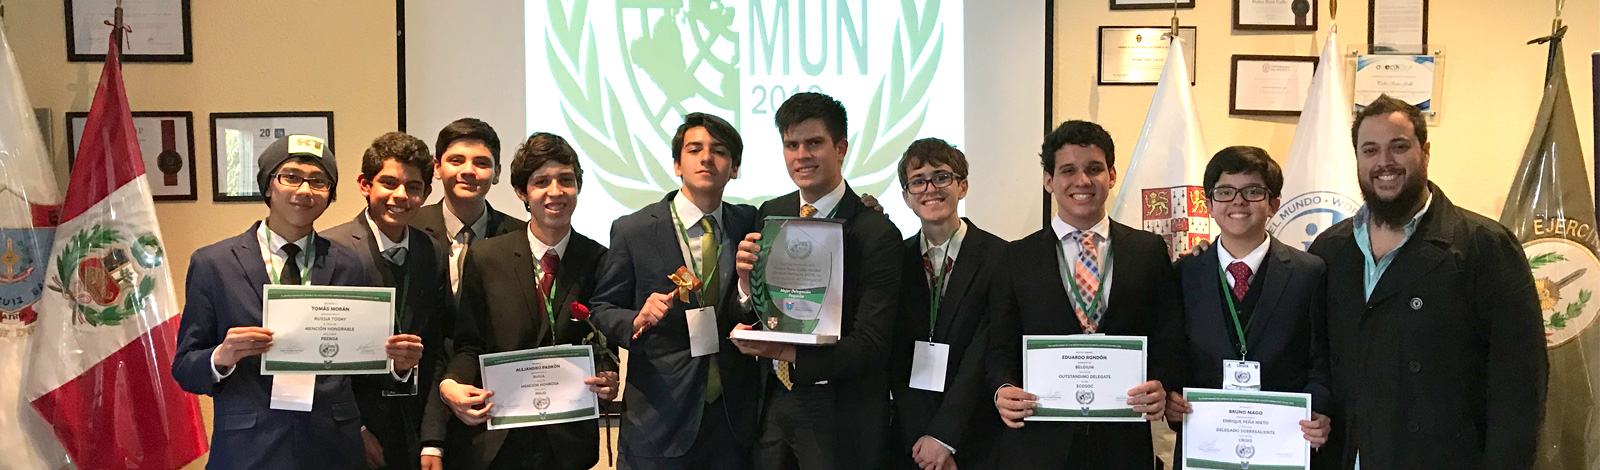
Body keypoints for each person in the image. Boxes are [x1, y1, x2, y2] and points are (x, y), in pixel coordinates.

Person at [1308, 95, 1547, 468]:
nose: (1384, 162)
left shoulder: (1484, 246)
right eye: (1370, 150)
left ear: (1426, 152)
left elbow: (1519, 386)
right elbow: (1316, 359)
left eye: (1399, 147)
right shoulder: (1330, 250)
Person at [171, 135, 425, 470]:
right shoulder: (214, 264)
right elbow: (185, 368)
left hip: (333, 447)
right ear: (268, 185)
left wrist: (398, 366)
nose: (305, 190)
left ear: (329, 194)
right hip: (249, 448)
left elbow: (364, 364)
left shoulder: (350, 264)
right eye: (291, 177)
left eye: (319, 181)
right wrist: (222, 356)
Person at [984, 120, 1180, 469]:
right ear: (1048, 181)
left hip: (1122, 442)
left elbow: (1168, 336)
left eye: (1094, 169)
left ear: (1112, 175)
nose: (1082, 181)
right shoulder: (1015, 257)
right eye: (1068, 170)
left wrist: (1162, 383)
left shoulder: (1148, 251)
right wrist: (1002, 389)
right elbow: (999, 346)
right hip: (1039, 443)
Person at [731, 92, 905, 469]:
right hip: (772, 403)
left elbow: (872, 345)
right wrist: (745, 284)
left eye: (813, 143)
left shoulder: (877, 233)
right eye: (791, 145)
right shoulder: (771, 213)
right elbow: (755, 310)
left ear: (840, 148)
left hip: (840, 412)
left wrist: (786, 354)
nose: (801, 155)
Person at [436, 132, 621, 470]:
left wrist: (608, 374)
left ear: (578, 187)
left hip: (568, 445)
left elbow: (604, 342)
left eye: (566, 180)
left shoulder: (599, 259)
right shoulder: (487, 257)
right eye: (541, 182)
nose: (556, 191)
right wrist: (450, 385)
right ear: (523, 192)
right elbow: (469, 343)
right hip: (498, 439)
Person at [589, 112, 763, 469]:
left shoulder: (748, 222)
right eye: (694, 149)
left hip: (733, 420)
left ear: (734, 168)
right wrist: (635, 318)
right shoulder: (634, 230)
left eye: (719, 151)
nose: (706, 158)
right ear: (677, 165)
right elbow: (602, 307)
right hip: (659, 418)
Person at [1163, 146, 1332, 465]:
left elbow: (1321, 359)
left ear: (1273, 204)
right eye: (1225, 192)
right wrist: (1171, 395)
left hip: (1283, 450)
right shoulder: (1182, 274)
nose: (1238, 201)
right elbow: (1172, 353)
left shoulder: (1309, 273)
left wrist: (1319, 410)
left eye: (1253, 191)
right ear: (1209, 204)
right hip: (1205, 451)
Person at [322, 132, 453, 470]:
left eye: (414, 187)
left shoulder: (431, 251)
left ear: (426, 193)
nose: (401, 196)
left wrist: (432, 438)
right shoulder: (330, 250)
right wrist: (356, 428)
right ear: (365, 185)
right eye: (389, 183)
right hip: (350, 429)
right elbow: (322, 356)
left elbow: (437, 344)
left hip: (412, 429)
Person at [887, 138, 1005, 469]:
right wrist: (924, 440)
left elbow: (986, 351)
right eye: (918, 181)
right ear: (906, 196)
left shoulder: (1000, 257)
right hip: (914, 442)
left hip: (976, 435)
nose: (930, 189)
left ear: (962, 186)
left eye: (941, 177)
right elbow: (896, 355)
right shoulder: (896, 261)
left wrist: (944, 437)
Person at [411, 118, 527, 297]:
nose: (468, 171)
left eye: (481, 163)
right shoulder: (411, 227)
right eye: (456, 161)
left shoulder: (519, 236)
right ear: (437, 168)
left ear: (497, 173)